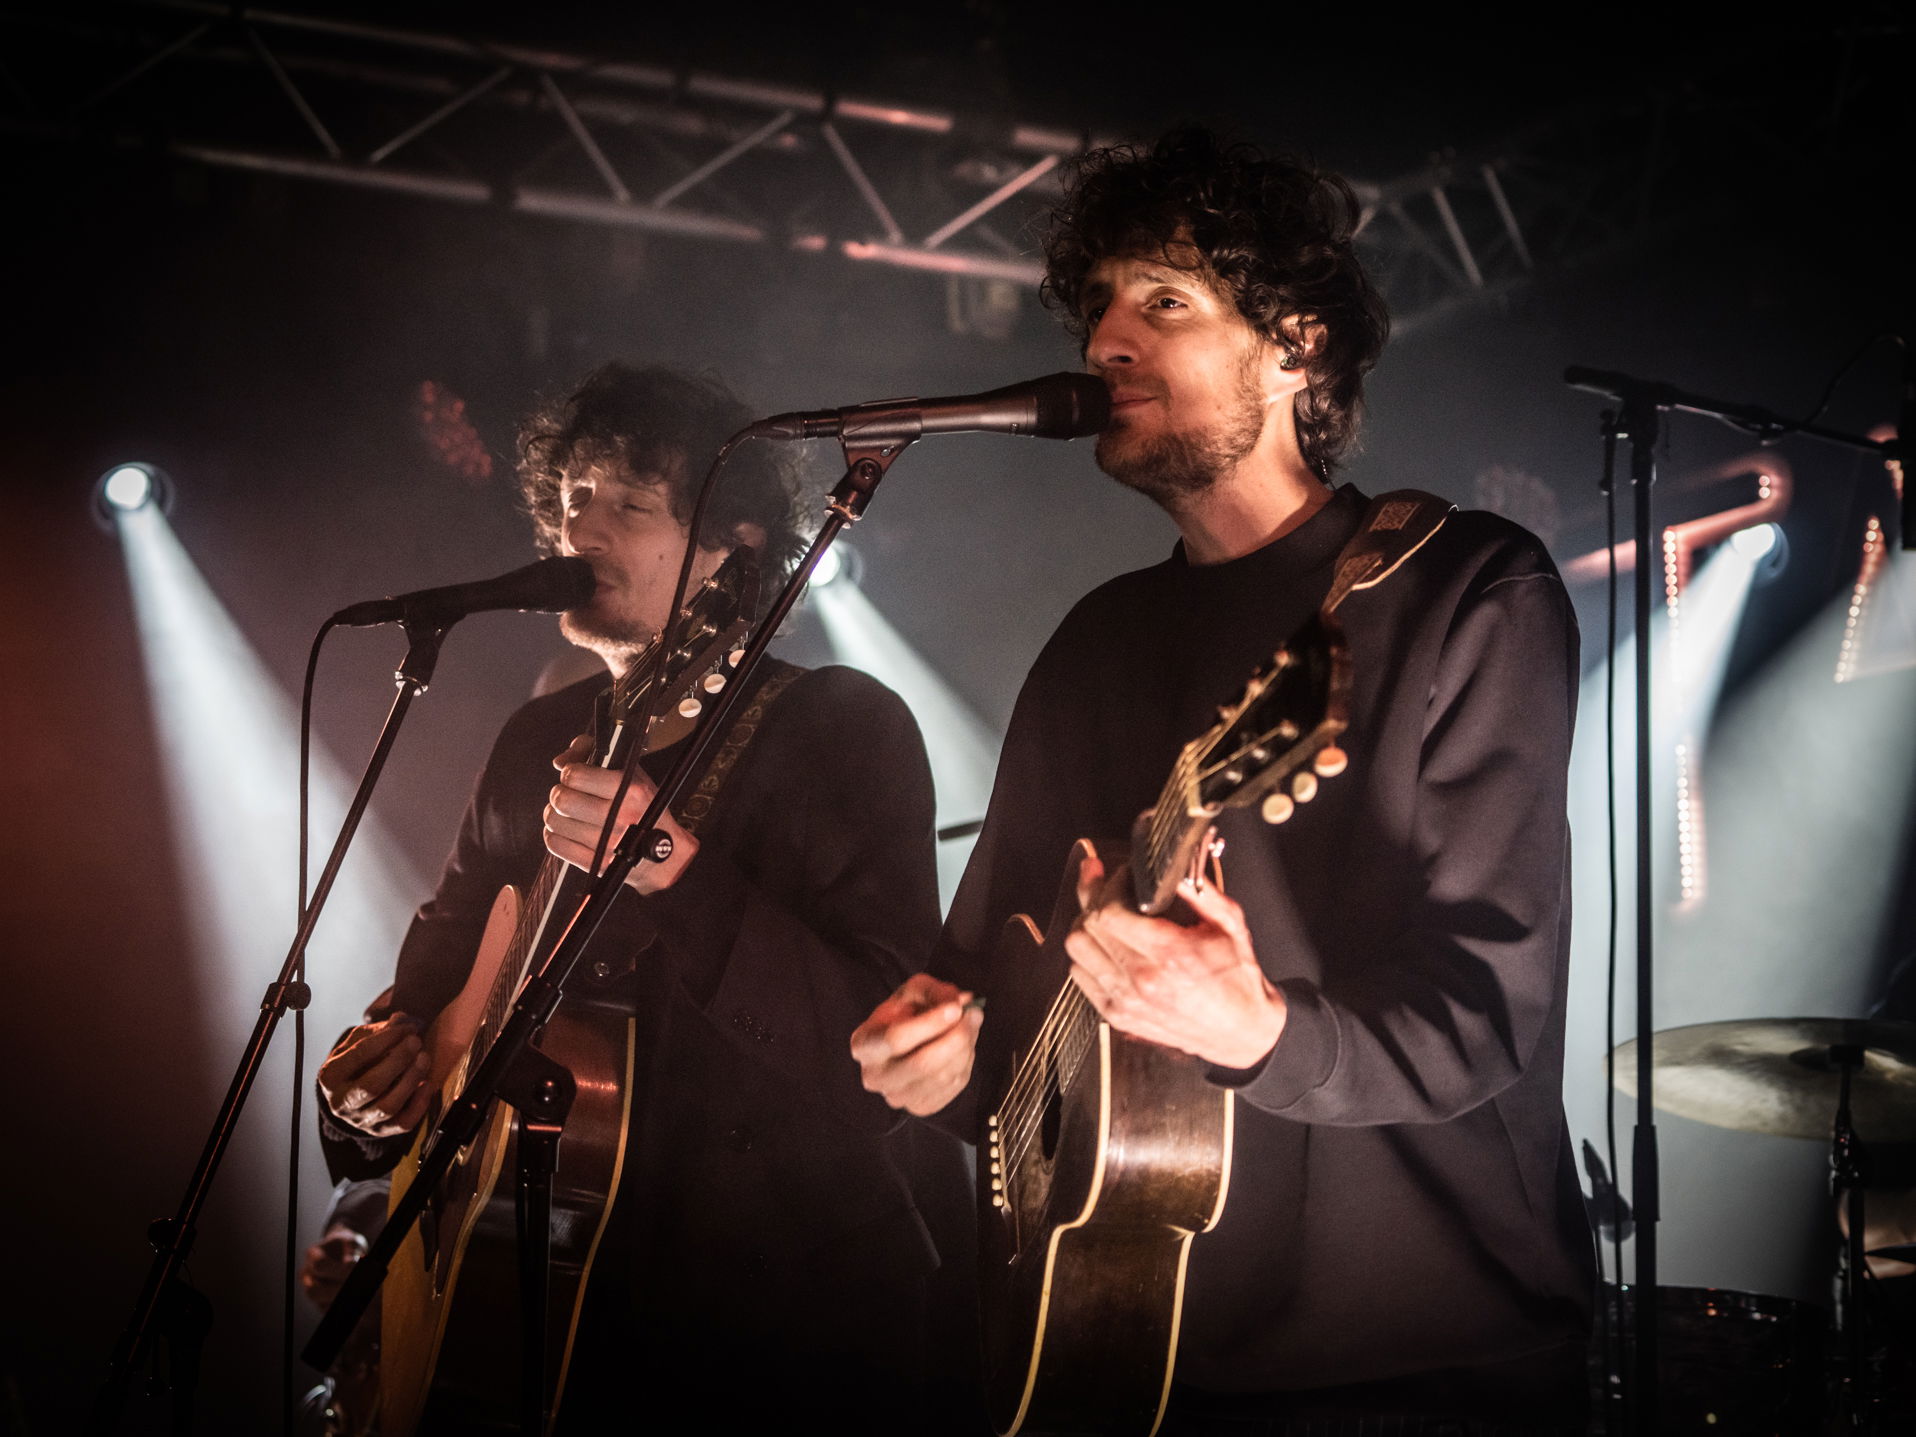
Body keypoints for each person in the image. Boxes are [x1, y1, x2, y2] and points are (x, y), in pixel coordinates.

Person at [852, 129, 1595, 1434]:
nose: (1103, 345)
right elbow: (985, 981)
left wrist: (1260, 1031)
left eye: (1164, 302)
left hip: (1410, 1367)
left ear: (1297, 345)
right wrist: (941, 1062)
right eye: (1097, 308)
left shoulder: (1462, 589)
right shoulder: (1096, 643)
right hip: (1121, 1343)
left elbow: (1489, 1012)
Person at [314, 363, 970, 1433]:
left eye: (627, 503)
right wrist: (366, 1096)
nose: (583, 531)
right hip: (529, 1291)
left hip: (767, 1326)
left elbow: (874, 1041)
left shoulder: (841, 727)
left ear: (737, 544)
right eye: (570, 501)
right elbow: (432, 985)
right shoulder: (536, 737)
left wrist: (679, 873)